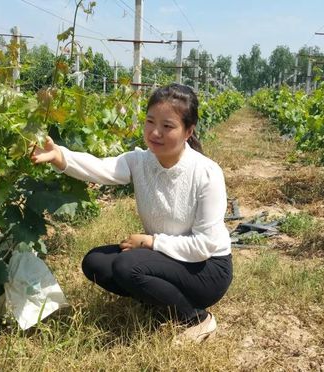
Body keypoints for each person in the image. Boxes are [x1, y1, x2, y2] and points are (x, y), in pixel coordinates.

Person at [30, 83, 233, 343]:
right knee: (96, 263)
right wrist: (60, 156)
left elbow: (204, 246)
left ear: (188, 131)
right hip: (167, 258)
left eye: (167, 126)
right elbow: (101, 169)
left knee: (127, 266)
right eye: (150, 121)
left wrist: (151, 242)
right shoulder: (141, 161)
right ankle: (161, 301)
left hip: (206, 270)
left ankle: (196, 319)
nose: (155, 132)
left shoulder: (206, 173)